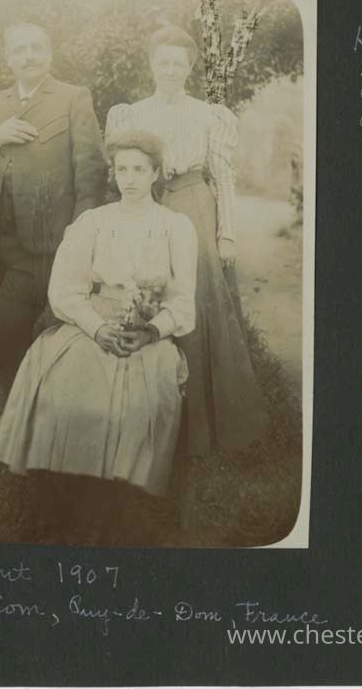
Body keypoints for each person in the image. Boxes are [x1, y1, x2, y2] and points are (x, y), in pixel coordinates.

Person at [0, 130, 197, 545]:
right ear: (112, 173)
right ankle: (57, 506)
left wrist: (150, 332)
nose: (130, 179)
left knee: (135, 406)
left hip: (146, 332)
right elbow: (65, 291)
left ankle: (111, 512)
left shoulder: (175, 227)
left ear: (155, 173)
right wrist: (97, 328)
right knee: (66, 394)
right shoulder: (93, 222)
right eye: (122, 170)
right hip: (92, 324)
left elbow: (183, 302)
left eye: (139, 169)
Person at [104, 24, 267, 458]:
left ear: (189, 68)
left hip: (195, 205)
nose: (171, 69)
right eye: (164, 62)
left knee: (195, 303)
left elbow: (224, 177)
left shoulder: (208, 115)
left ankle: (202, 429)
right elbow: (121, 172)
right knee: (146, 296)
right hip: (149, 206)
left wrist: (226, 234)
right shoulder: (132, 114)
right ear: (152, 65)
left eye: (179, 63)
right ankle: (148, 421)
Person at [0, 23, 106, 426]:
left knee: (3, 318)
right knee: (9, 326)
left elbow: (90, 170)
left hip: (42, 238)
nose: (29, 56)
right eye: (20, 50)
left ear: (49, 54)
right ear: (9, 58)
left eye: (37, 48)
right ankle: (14, 407)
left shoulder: (73, 97)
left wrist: (80, 233)